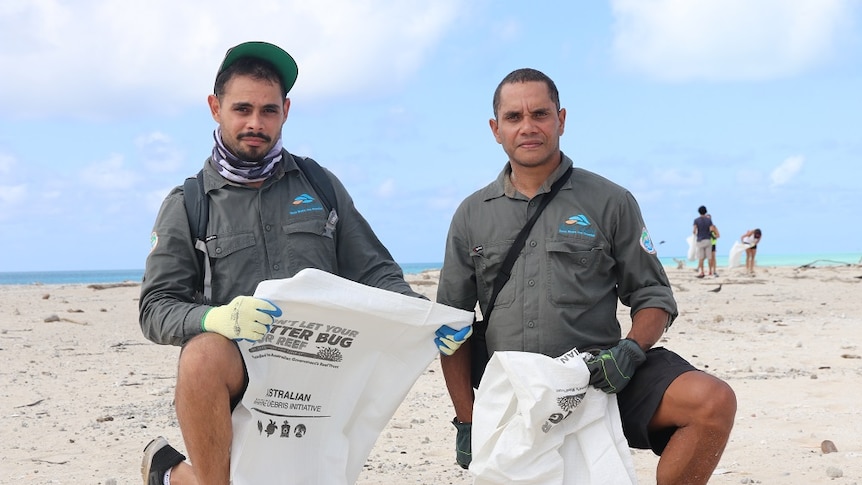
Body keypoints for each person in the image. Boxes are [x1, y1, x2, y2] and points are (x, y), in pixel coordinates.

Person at [137, 41, 470, 485]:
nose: (256, 123)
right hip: (240, 374)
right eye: (242, 109)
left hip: (322, 369)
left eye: (269, 110)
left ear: (286, 111)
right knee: (201, 356)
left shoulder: (319, 185)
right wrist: (218, 317)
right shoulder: (189, 204)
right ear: (215, 108)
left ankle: (171, 475)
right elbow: (156, 306)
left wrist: (420, 317)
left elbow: (373, 269)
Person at [437, 68, 736, 485]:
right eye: (514, 117)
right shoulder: (472, 213)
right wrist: (466, 420)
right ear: (495, 129)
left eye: (540, 114)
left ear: (561, 120)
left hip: (601, 377)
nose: (528, 127)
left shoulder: (610, 201)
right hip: (514, 390)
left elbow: (653, 295)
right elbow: (451, 326)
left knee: (711, 402)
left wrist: (631, 351)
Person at [692, 206, 717, 278]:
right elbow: (711, 229)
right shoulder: (709, 220)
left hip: (700, 240)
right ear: (706, 211)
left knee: (701, 257)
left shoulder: (696, 220)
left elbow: (694, 231)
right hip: (708, 239)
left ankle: (702, 272)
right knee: (709, 257)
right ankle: (710, 271)